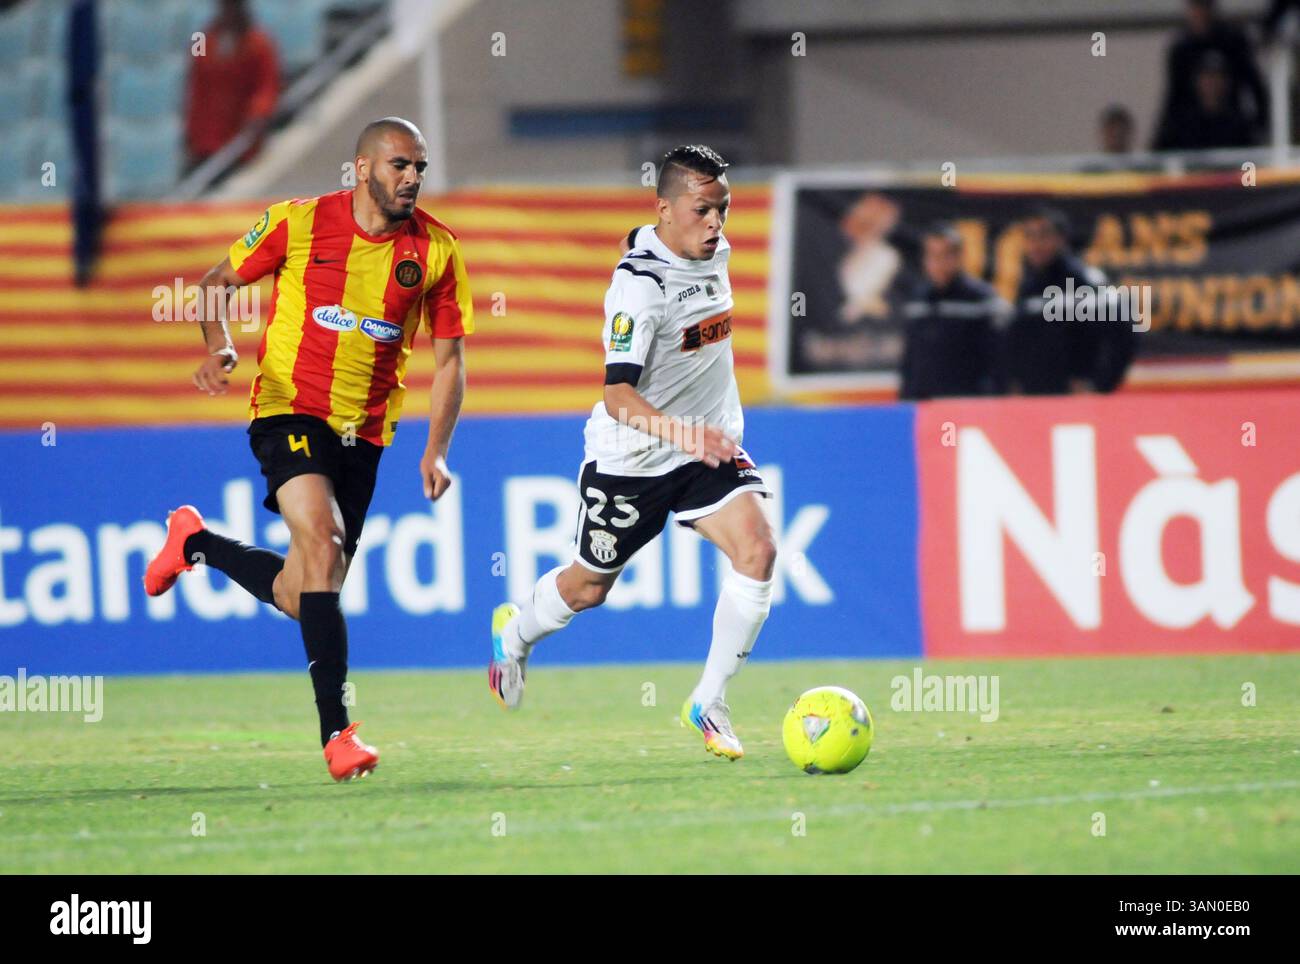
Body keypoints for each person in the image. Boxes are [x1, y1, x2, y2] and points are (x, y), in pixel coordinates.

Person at [143, 117, 473, 782]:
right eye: (399, 165)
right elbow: (215, 283)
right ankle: (338, 734)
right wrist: (222, 347)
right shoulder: (297, 223)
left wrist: (436, 452)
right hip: (288, 410)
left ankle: (195, 543)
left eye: (419, 169)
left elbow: (450, 362)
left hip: (366, 435)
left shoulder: (436, 252)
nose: (411, 178)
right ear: (361, 169)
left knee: (304, 592)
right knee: (323, 539)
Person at [486, 145, 776, 761]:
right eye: (703, 210)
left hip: (705, 447)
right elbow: (617, 394)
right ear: (666, 208)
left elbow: (641, 237)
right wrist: (686, 435)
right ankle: (513, 634)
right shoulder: (639, 291)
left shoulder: (708, 247)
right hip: (634, 460)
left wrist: (699, 437)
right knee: (590, 587)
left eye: (723, 208)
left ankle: (709, 700)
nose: (717, 223)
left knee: (759, 550)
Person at [1004, 207, 1134, 395]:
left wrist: (1101, 384)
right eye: (1030, 236)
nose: (1036, 244)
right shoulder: (1029, 284)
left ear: (1061, 239)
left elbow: (1124, 330)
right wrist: (1015, 382)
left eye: (1044, 235)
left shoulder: (1084, 280)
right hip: (1034, 399)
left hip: (1073, 400)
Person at [898, 224, 1008, 400]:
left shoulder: (982, 298)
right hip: (925, 405)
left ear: (959, 256)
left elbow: (997, 360)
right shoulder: (918, 300)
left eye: (946, 255)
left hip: (968, 403)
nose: (939, 263)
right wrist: (906, 399)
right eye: (933, 256)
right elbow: (911, 359)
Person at [1154, 0, 1268, 148]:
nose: (1211, 84)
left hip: (1231, 126)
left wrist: (1260, 125)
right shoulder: (1182, 49)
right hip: (1193, 131)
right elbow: (1174, 96)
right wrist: (1162, 138)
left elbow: (1255, 85)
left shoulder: (1233, 41)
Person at [184, 0, 280, 172]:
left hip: (240, 137)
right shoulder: (205, 41)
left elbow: (266, 87)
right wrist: (192, 132)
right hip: (206, 138)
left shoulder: (259, 43)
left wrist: (257, 114)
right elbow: (197, 88)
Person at [1154, 51, 1259, 149]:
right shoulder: (1180, 124)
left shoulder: (1239, 124)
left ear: (1227, 83)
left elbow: (1251, 160)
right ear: (1196, 82)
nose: (1212, 84)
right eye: (1207, 77)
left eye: (1218, 77)